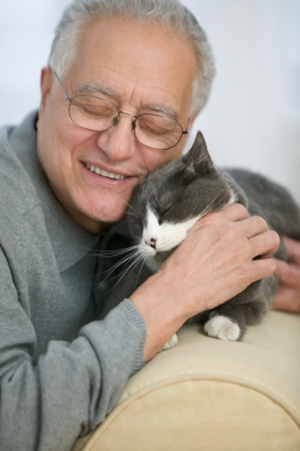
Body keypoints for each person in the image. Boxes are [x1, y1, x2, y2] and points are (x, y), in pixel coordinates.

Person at [0, 0, 297, 450]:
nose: (118, 147)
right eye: (95, 106)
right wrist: (168, 298)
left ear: (185, 133)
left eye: (155, 124)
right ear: (45, 92)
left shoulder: (155, 197)